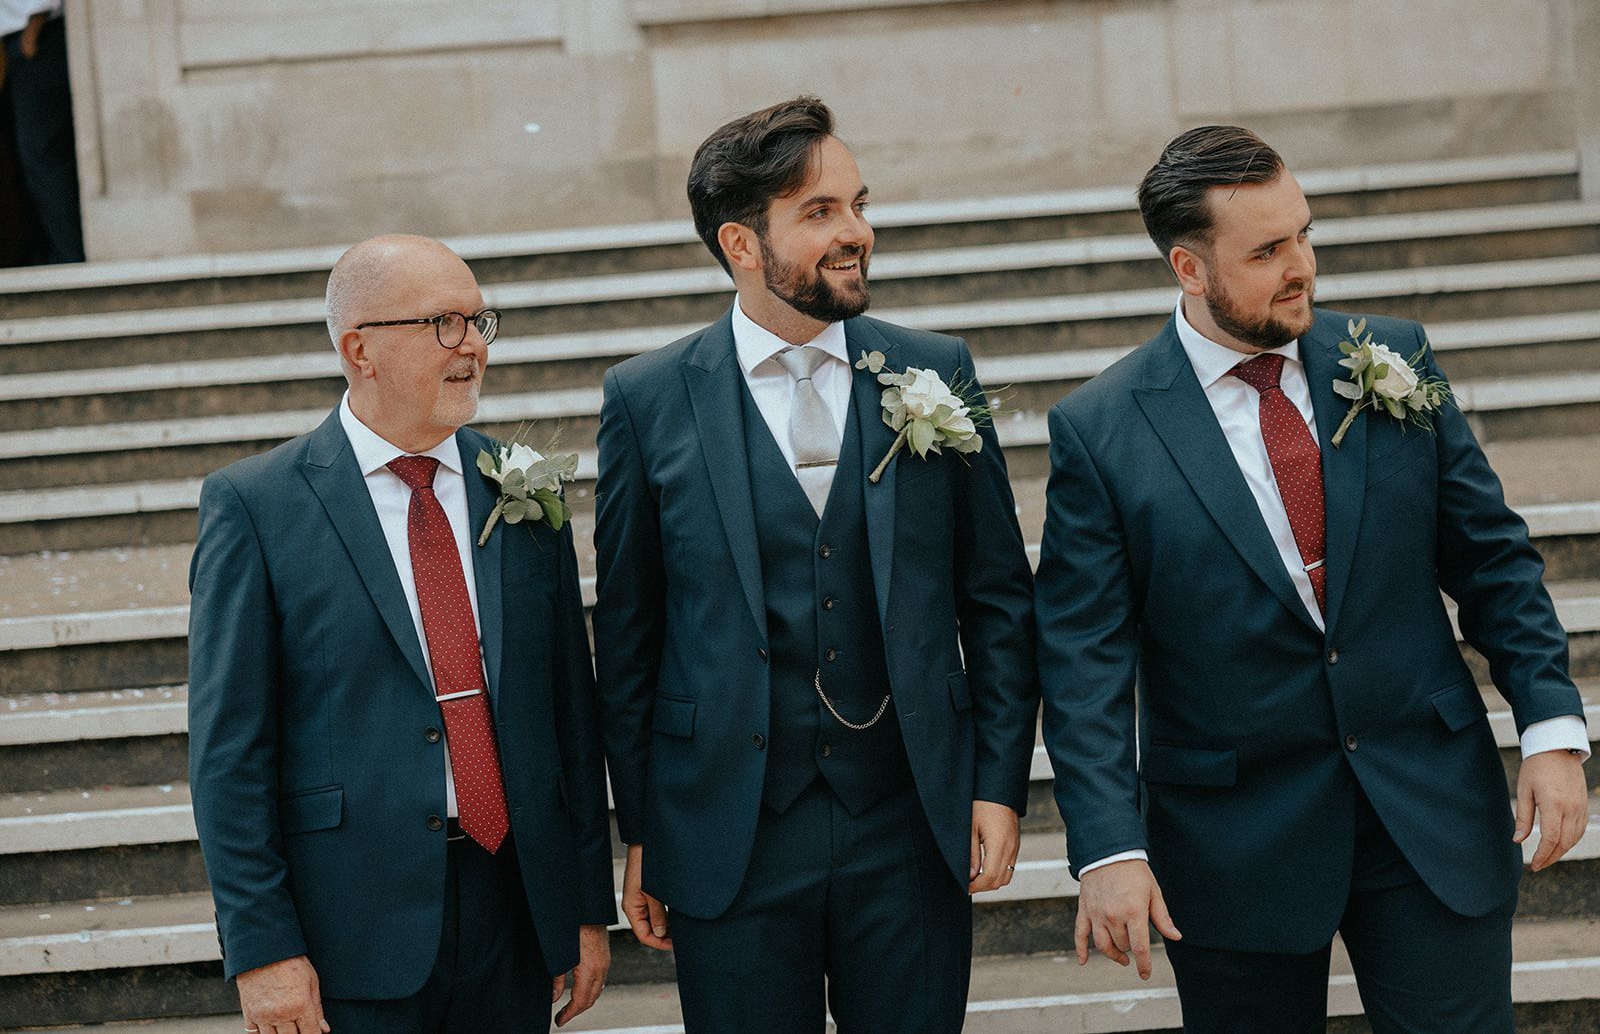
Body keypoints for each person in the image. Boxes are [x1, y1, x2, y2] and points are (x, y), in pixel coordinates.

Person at [1036, 125, 1591, 1031]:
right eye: (1266, 251)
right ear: (1189, 267)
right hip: (1232, 843)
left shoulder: (1393, 358)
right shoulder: (1101, 431)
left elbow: (1492, 560)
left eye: (1303, 233)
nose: (1301, 266)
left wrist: (1552, 729)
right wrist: (1107, 845)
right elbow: (1083, 660)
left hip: (1426, 808)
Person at [592, 96, 1037, 1032]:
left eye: (858, 205)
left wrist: (998, 784)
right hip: (731, 833)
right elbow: (631, 635)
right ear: (742, 245)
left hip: (908, 821)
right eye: (821, 212)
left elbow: (997, 600)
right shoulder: (647, 398)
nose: (857, 232)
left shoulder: (936, 369)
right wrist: (643, 828)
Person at [187, 235, 614, 1034]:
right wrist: (263, 948)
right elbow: (228, 754)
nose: (472, 345)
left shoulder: (521, 485)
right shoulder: (257, 506)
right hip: (349, 924)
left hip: (514, 908)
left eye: (479, 321)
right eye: (443, 323)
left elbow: (570, 713)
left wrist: (585, 904)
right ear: (360, 350)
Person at [0, 0, 84, 264]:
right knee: (26, 158)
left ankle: (67, 253)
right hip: (14, 46)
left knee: (44, 154)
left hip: (36, 40)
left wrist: (31, 38)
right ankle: (44, 251)